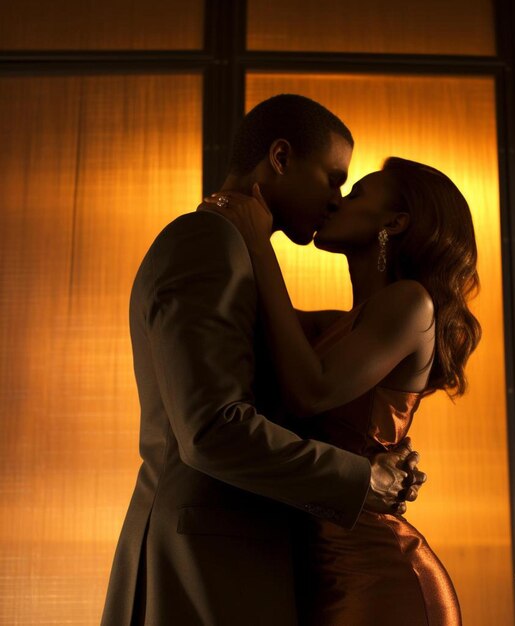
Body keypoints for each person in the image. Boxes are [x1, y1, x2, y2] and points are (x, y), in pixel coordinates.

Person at [100, 95, 426, 626]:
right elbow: (211, 430)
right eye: (333, 178)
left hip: (241, 559)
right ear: (280, 157)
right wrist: (361, 477)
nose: (336, 199)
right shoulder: (207, 241)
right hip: (203, 564)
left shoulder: (237, 252)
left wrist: (375, 443)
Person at [203, 157, 482, 626]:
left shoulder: (412, 301)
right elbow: (261, 321)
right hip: (321, 573)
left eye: (356, 195)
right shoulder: (340, 325)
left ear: (393, 223)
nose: (337, 201)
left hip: (377, 576)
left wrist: (257, 241)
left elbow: (311, 392)